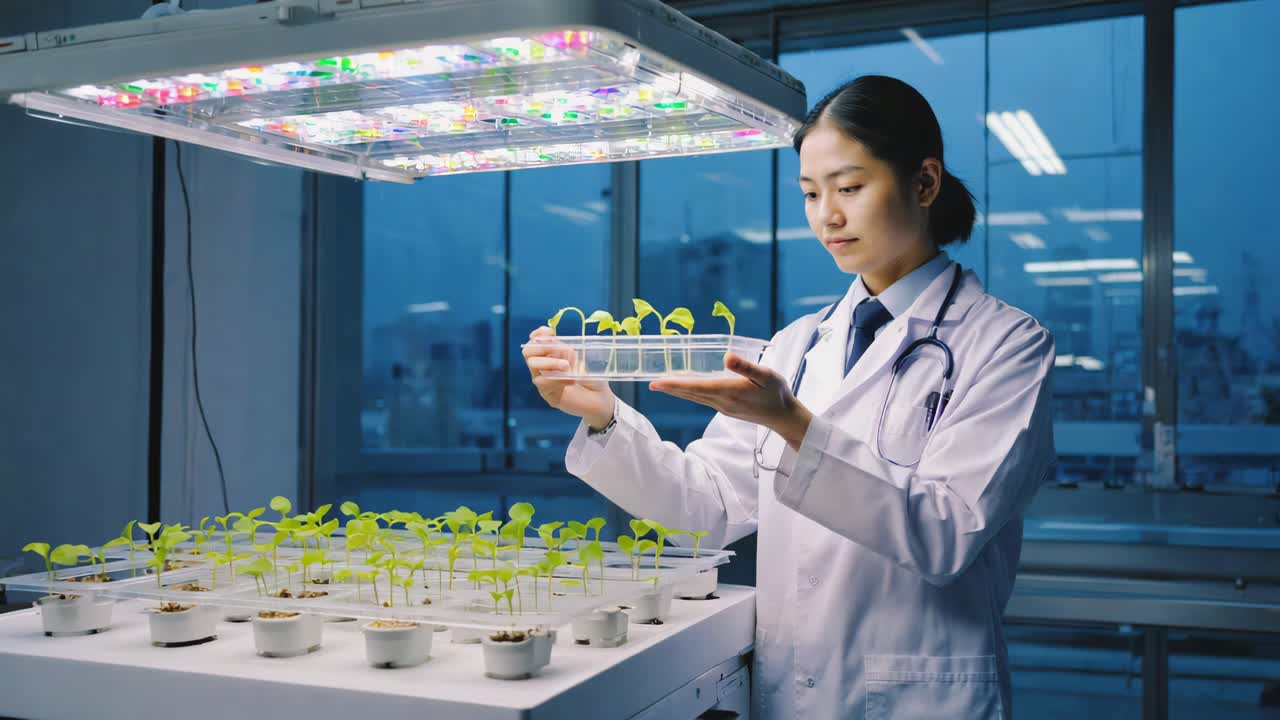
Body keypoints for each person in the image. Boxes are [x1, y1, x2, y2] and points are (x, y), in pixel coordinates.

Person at [523, 75, 1056, 719]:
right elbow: (710, 508)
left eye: (850, 188)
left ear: (924, 183)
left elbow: (945, 535)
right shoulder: (798, 345)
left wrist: (795, 424)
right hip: (793, 692)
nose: (827, 215)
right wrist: (604, 418)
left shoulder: (1007, 344)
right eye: (810, 193)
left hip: (922, 697)